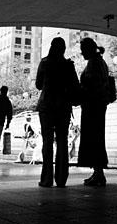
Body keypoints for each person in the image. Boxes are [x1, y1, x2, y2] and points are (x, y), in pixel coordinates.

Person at [34, 36, 79, 187]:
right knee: (62, 141)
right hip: (63, 107)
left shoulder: (44, 62)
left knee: (47, 141)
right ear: (64, 49)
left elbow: (38, 84)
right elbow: (75, 84)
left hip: (46, 106)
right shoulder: (68, 65)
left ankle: (46, 179)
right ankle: (61, 179)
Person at [76, 38, 110, 186]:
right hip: (97, 105)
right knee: (96, 137)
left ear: (88, 49)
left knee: (94, 137)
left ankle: (99, 173)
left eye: (83, 50)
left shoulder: (94, 63)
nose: (82, 53)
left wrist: (81, 89)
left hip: (93, 106)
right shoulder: (99, 61)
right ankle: (97, 172)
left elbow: (93, 84)